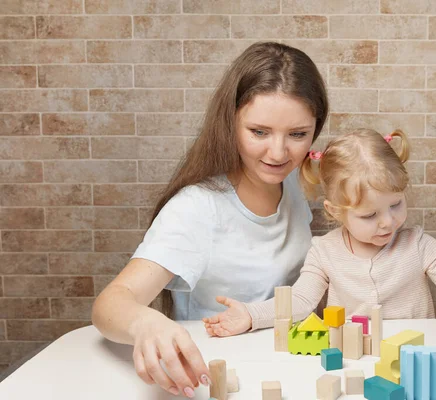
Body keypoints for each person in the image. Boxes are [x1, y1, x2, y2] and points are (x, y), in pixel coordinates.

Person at [91, 42, 329, 398]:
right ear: (229, 123)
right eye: (259, 132)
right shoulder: (198, 207)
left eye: (297, 134)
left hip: (286, 368)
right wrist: (146, 323)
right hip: (222, 379)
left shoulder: (292, 180)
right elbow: (110, 303)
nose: (279, 153)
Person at [203, 128, 436, 337]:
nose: (388, 222)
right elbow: (300, 302)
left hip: (414, 359)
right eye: (369, 215)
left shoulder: (418, 245)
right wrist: (250, 316)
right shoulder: (324, 252)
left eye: (396, 205)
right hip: (350, 361)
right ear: (335, 212)